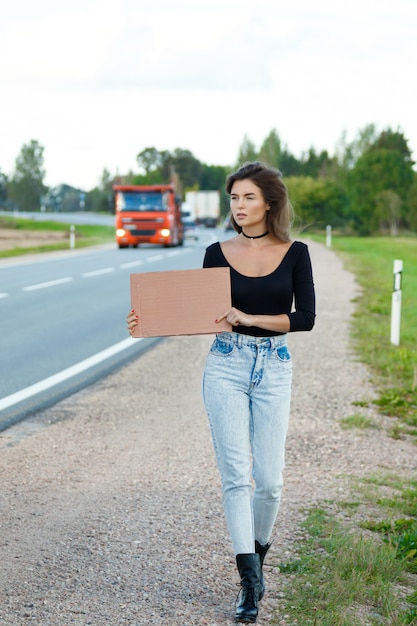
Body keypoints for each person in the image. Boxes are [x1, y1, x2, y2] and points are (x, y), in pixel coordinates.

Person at [127, 161, 316, 623]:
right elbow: (197, 312)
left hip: (273, 366)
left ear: (269, 202)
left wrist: (250, 318)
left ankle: (258, 558)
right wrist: (145, 321)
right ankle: (249, 584)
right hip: (226, 366)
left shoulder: (296, 252)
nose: (239, 206)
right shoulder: (216, 251)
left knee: (269, 483)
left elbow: (305, 317)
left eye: (248, 197)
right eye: (234, 198)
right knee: (237, 477)